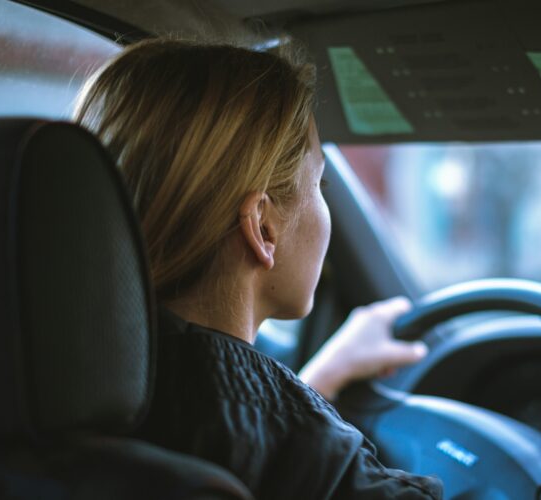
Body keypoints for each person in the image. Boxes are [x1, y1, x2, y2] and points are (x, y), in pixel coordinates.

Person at [75, 39, 440, 499]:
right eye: (319, 182)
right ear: (263, 227)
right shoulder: (316, 463)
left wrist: (317, 381)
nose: (325, 202)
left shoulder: (55, 389)